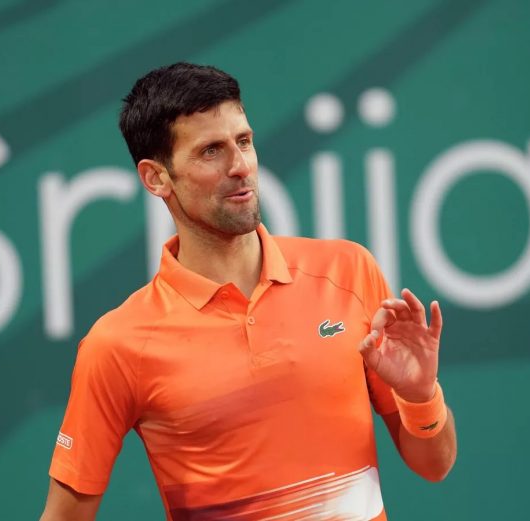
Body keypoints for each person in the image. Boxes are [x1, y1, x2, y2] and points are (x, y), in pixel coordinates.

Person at [39, 62, 457, 521]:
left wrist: (420, 395)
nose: (240, 167)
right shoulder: (118, 344)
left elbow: (434, 465)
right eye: (210, 151)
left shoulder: (348, 270)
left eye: (243, 141)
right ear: (156, 178)